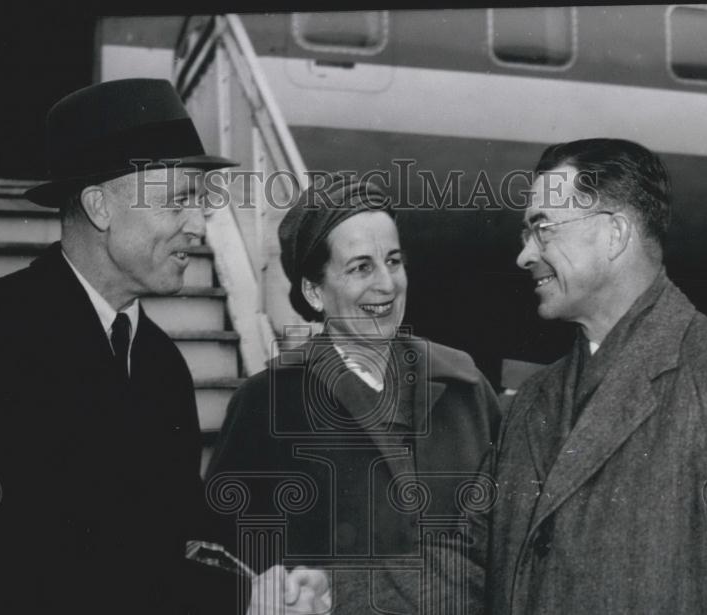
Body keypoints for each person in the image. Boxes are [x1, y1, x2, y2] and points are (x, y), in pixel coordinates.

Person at [0, 78, 326, 615]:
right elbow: (26, 556)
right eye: (179, 199)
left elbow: (176, 530)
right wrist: (240, 599)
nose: (199, 224)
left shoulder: (160, 362)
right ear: (100, 207)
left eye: (199, 203)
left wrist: (272, 581)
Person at [475, 138, 707, 613]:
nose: (524, 255)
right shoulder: (529, 402)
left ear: (615, 233)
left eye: (542, 229)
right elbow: (471, 564)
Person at [206, 175, 501, 614]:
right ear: (313, 291)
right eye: (361, 267)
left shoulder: (466, 387)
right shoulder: (267, 402)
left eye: (394, 261)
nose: (386, 284)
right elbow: (227, 560)